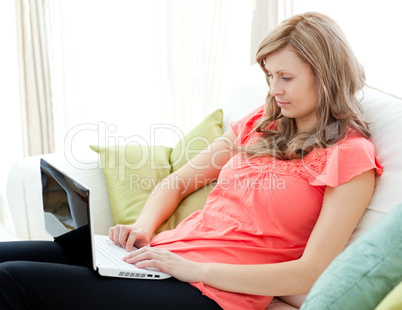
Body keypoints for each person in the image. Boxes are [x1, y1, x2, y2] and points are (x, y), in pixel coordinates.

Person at [0, 12, 383, 310]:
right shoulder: (259, 124)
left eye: (286, 77)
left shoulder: (350, 158)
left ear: (326, 76)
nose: (274, 90)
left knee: (12, 281)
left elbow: (312, 272)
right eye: (269, 76)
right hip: (158, 260)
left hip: (212, 294)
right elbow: (178, 182)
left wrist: (195, 270)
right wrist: (143, 227)